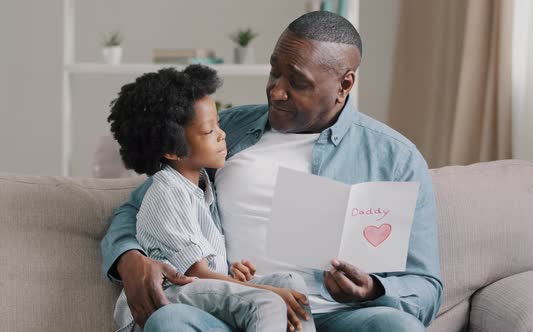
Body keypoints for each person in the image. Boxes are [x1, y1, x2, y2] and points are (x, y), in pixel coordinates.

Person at [102, 11, 443, 332]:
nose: (276, 90)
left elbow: (425, 287)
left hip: (340, 317)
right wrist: (130, 260)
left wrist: (371, 289)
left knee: (399, 328)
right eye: (273, 72)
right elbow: (140, 207)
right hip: (230, 309)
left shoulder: (395, 159)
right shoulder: (228, 131)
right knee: (170, 321)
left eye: (297, 82)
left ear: (344, 84)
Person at [106, 64, 314, 332]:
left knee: (290, 284)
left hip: (198, 293)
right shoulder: (167, 193)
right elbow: (196, 274)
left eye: (218, 124)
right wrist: (257, 289)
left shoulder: (201, 187)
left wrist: (233, 274)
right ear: (172, 149)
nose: (222, 134)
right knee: (268, 301)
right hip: (170, 297)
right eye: (209, 131)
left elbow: (207, 266)